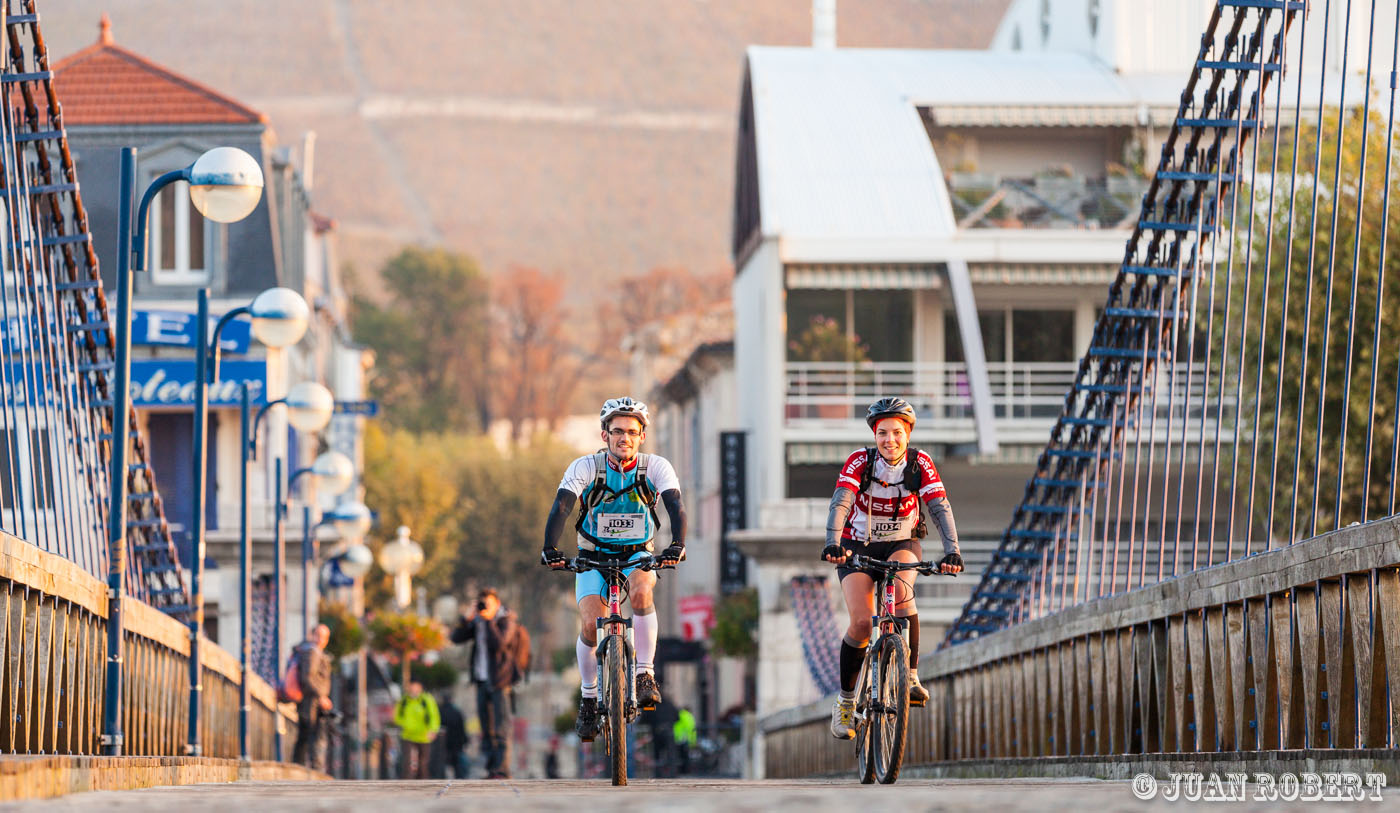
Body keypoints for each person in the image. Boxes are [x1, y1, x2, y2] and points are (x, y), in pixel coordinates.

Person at [541, 397, 687, 742]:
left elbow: (675, 504)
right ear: (604, 434)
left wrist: (677, 545)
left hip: (638, 552)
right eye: (617, 431)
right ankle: (589, 699)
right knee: (591, 623)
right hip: (593, 553)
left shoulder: (655, 467)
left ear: (642, 436)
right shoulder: (586, 467)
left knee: (641, 591)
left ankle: (645, 675)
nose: (625, 438)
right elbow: (562, 505)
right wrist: (550, 548)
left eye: (632, 432)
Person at [823, 397, 963, 740]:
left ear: (908, 434)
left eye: (897, 433)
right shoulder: (860, 461)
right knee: (860, 621)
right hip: (857, 544)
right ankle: (844, 702)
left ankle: (910, 675)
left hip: (903, 540)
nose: (890, 440)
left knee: (901, 596)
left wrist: (952, 551)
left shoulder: (921, 463)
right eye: (883, 433)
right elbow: (841, 501)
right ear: (874, 435)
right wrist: (833, 542)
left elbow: (939, 507)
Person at [449, 586, 519, 779]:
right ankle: (491, 768)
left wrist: (489, 621)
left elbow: (500, 644)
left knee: (501, 726)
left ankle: (502, 769)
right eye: (481, 603)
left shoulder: (506, 620)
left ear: (497, 603)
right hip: (481, 680)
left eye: (487, 603)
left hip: (500, 681)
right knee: (486, 727)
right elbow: (455, 638)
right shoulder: (477, 621)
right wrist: (466, 618)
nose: (484, 607)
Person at [291, 623, 334, 768]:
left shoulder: (310, 651)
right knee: (311, 736)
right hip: (311, 703)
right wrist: (321, 696)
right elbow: (307, 678)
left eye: (324, 637)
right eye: (319, 636)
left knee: (305, 736)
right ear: (312, 635)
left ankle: (299, 768)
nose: (321, 640)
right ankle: (310, 770)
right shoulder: (312, 652)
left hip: (310, 702)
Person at [393, 680, 440, 779]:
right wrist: (403, 724)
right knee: (407, 761)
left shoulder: (426, 700)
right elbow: (397, 716)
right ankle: (407, 782)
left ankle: (422, 781)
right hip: (407, 734)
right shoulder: (404, 700)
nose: (413, 690)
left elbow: (433, 716)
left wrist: (433, 729)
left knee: (423, 762)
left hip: (423, 735)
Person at [438, 693, 470, 779]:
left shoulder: (439, 711)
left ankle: (443, 779)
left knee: (443, 764)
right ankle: (459, 779)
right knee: (458, 765)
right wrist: (465, 741)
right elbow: (462, 728)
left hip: (444, 743)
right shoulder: (457, 712)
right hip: (456, 743)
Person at [672, 706, 697, 774]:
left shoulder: (679, 714)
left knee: (677, 756)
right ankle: (685, 771)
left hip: (676, 737)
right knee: (685, 756)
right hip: (685, 739)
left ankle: (678, 771)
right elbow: (692, 729)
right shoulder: (689, 716)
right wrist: (693, 742)